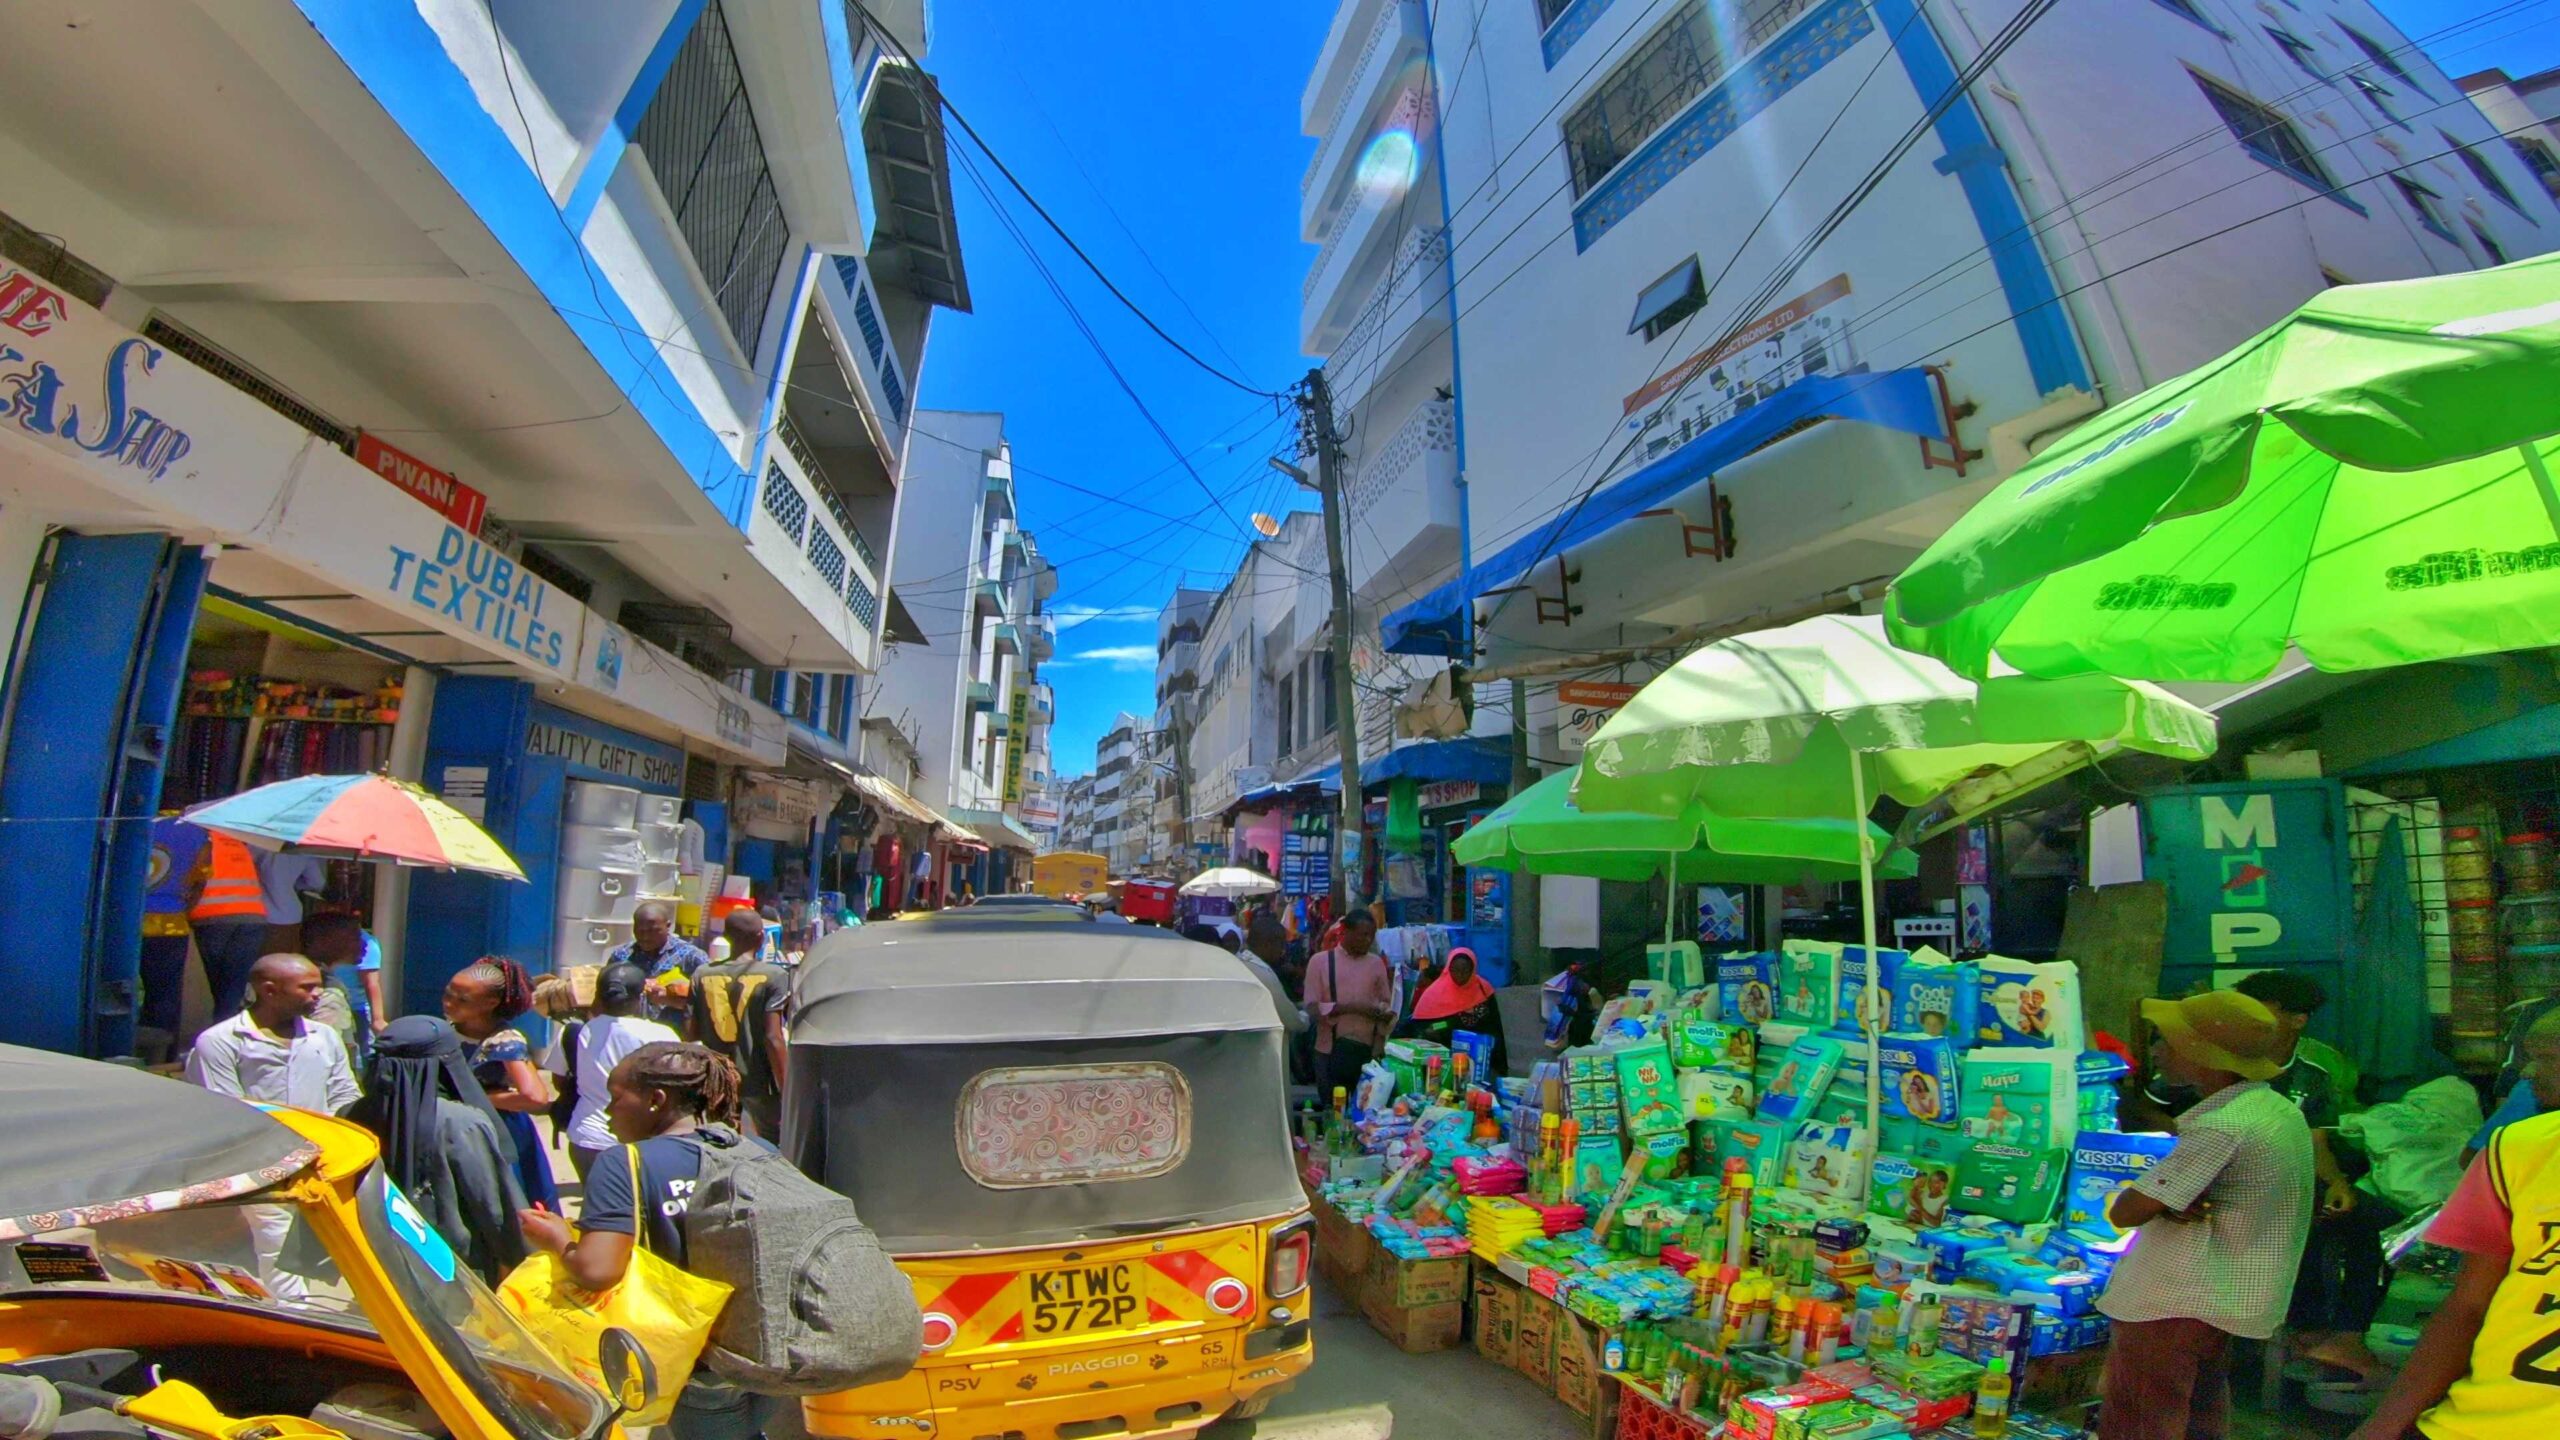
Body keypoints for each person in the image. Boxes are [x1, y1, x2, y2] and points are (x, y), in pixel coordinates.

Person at [519, 1043, 780, 1440]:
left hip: (696, 1360)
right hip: (770, 1347)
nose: (607, 1112)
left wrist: (557, 1237)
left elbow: (597, 1270)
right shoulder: (759, 1151)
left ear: (656, 1100)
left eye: (616, 1098)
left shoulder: (624, 1162)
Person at [2096, 989, 2313, 1440]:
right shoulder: (2274, 1110)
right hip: (2223, 1297)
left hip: (2176, 1300)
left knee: (2141, 1418)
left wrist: (2158, 1197)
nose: (2156, 1050)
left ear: (2204, 1058)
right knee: (2200, 1413)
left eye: (2167, 1042)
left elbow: (2128, 1210)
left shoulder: (2222, 1128)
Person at [2345, 1005, 2560, 1440]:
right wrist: (2383, 1426)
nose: (2529, 1073)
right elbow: (2467, 1307)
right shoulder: (2516, 1150)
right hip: (2480, 1421)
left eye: (2547, 1057)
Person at [2228, 969, 2385, 1378]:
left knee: (2371, 1220)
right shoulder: (2224, 1058)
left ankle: (2347, 1336)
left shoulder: (2312, 1075)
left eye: (2264, 1008)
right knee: (2302, 1220)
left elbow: (2316, 1143)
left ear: (2298, 1020)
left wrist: (2337, 1183)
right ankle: (2308, 1328)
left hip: (2291, 1177)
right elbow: (2154, 1109)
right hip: (2231, 1180)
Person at [185, 953, 360, 1302]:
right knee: (277, 1243)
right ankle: (298, 1317)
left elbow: (345, 1094)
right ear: (269, 990)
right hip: (263, 1165)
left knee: (332, 1243)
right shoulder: (221, 1042)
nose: (317, 995)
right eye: (307, 988)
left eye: (318, 987)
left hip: (323, 1164)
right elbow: (227, 1109)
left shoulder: (324, 1037)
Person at [346, 1015, 528, 1285]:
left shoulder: (351, 1114)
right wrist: (517, 1258)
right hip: (455, 1269)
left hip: (377, 1260)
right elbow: (493, 1206)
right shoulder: (461, 1123)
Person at [441, 958, 560, 1214]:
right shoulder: (445, 1031)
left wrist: (479, 1098)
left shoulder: (503, 1041)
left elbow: (536, 1098)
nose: (449, 1002)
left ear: (491, 1003)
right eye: (448, 993)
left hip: (497, 1133)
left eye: (462, 999)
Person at [560, 962, 682, 1179]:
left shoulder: (578, 1031)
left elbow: (559, 1080)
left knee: (596, 1208)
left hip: (586, 1138)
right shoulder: (661, 1035)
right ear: (641, 996)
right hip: (638, 1142)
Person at [692, 910, 792, 1140]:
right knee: (774, 1142)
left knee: (723, 1141)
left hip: (718, 1079)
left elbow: (692, 1033)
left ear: (726, 937)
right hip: (760, 1080)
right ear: (760, 937)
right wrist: (787, 1087)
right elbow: (773, 1037)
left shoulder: (701, 974)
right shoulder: (774, 975)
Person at [1301, 909, 1394, 1105]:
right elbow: (1311, 1007)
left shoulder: (1376, 964)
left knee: (1365, 1111)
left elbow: (1386, 1003)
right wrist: (1353, 1008)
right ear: (1346, 932)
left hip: (1367, 1053)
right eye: (1363, 934)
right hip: (1329, 1050)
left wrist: (1383, 1020)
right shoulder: (1320, 962)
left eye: (1372, 935)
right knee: (1332, 1108)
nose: (1368, 940)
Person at [184, 831, 274, 1024]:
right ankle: (231, 1029)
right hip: (252, 916)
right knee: (235, 983)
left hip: (213, 917)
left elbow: (196, 879)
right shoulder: (237, 842)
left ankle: (222, 1034)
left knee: (218, 984)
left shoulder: (199, 840)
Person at [139, 815, 208, 1046]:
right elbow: (200, 880)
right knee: (165, 994)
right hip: (171, 924)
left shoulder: (137, 823)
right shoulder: (197, 832)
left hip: (126, 922)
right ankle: (159, 1051)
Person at [1409, 946, 1507, 1077]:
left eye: (1465, 971)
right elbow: (1437, 1024)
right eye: (1455, 970)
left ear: (1473, 970)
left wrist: (1499, 1065)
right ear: (1448, 969)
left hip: (1480, 1058)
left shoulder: (1483, 989)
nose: (1460, 975)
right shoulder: (1435, 993)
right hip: (1447, 1057)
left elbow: (1495, 1026)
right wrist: (1437, 1028)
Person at [303, 912, 384, 1066]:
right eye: (354, 937)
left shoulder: (328, 980)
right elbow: (328, 1052)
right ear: (328, 942)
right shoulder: (327, 989)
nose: (365, 943)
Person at [614, 901, 710, 1030]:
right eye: (640, 930)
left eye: (653, 931)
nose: (645, 937)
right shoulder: (622, 955)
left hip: (672, 1036)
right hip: (628, 1034)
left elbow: (711, 999)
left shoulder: (690, 957)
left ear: (668, 926)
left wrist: (671, 998)